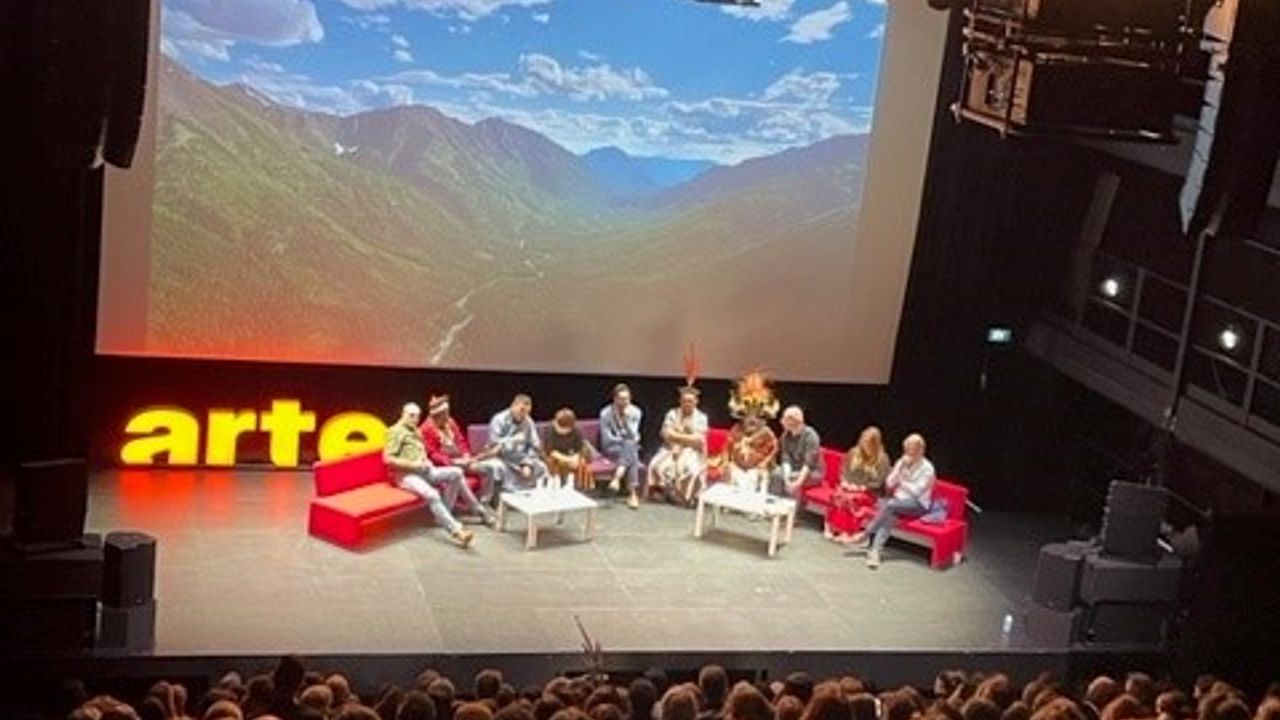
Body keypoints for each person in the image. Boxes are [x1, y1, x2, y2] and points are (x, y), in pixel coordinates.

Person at [384, 403, 483, 547]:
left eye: (417, 416)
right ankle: (457, 531)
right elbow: (388, 459)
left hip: (425, 470)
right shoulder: (395, 431)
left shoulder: (415, 431)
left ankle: (444, 514)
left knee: (456, 473)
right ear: (403, 414)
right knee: (432, 494)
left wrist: (425, 461)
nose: (415, 419)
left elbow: (421, 452)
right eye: (411, 415)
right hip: (406, 474)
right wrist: (413, 465)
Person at [850, 433, 935, 569]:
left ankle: (866, 534)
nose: (909, 453)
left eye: (912, 450)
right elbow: (889, 484)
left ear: (921, 451)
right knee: (890, 513)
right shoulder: (902, 462)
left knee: (889, 505)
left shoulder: (928, 469)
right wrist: (900, 469)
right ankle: (875, 552)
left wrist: (902, 479)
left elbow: (916, 492)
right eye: (907, 449)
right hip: (897, 502)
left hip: (917, 505)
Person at [421, 394, 505, 508]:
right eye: (445, 413)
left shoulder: (450, 422)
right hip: (445, 465)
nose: (448, 416)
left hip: (462, 461)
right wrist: (453, 462)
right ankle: (470, 506)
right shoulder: (426, 429)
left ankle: (484, 502)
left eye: (448, 412)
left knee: (488, 469)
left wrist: (466, 455)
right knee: (459, 476)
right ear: (437, 415)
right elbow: (432, 454)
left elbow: (461, 441)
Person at [826, 426, 890, 543]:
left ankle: (847, 532)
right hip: (850, 487)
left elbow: (879, 482)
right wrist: (845, 482)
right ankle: (831, 527)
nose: (864, 444)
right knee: (837, 495)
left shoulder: (882, 459)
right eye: (863, 441)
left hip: (869, 492)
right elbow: (843, 470)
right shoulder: (853, 452)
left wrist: (862, 487)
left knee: (849, 500)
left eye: (867, 442)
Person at [648, 386, 709, 506]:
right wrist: (682, 438)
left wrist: (678, 437)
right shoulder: (672, 414)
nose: (687, 404)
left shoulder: (702, 417)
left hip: (692, 450)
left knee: (691, 470)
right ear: (680, 401)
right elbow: (665, 433)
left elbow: (698, 439)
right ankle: (663, 492)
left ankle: (684, 497)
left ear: (696, 402)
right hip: (671, 447)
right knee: (656, 465)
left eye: (690, 401)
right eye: (684, 401)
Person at [487, 394, 548, 491]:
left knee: (541, 467)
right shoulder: (498, 419)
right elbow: (494, 444)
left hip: (522, 458)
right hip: (503, 457)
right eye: (521, 411)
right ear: (513, 406)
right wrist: (512, 439)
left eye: (527, 412)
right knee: (498, 468)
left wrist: (527, 463)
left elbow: (534, 445)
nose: (523, 415)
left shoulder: (528, 421)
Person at [599, 383, 643, 509]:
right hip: (611, 448)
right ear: (615, 399)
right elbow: (607, 440)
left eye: (627, 399)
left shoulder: (635, 412)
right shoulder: (605, 413)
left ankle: (617, 479)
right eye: (622, 399)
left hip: (627, 448)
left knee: (630, 447)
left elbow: (633, 434)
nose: (625, 402)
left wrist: (627, 421)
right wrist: (625, 440)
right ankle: (632, 494)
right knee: (631, 448)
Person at [769, 406, 824, 499]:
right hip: (794, 470)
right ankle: (773, 503)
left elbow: (808, 464)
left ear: (793, 420)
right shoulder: (785, 436)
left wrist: (797, 483)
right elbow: (786, 459)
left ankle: (791, 508)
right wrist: (786, 478)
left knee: (793, 478)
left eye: (784, 418)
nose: (781, 421)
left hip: (812, 473)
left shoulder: (810, 435)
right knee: (775, 473)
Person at [722, 410, 777, 494]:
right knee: (728, 477)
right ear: (744, 418)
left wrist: (765, 462)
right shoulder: (736, 428)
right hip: (736, 466)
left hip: (756, 469)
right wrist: (725, 462)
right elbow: (726, 448)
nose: (752, 419)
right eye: (748, 416)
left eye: (755, 417)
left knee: (755, 480)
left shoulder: (767, 432)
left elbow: (774, 450)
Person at [542, 408, 593, 490]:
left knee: (582, 463)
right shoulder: (550, 429)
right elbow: (549, 451)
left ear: (569, 428)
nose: (557, 426)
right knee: (554, 463)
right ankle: (555, 484)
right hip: (553, 456)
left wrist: (575, 458)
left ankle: (580, 488)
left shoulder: (576, 430)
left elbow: (581, 448)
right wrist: (567, 460)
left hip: (570, 455)